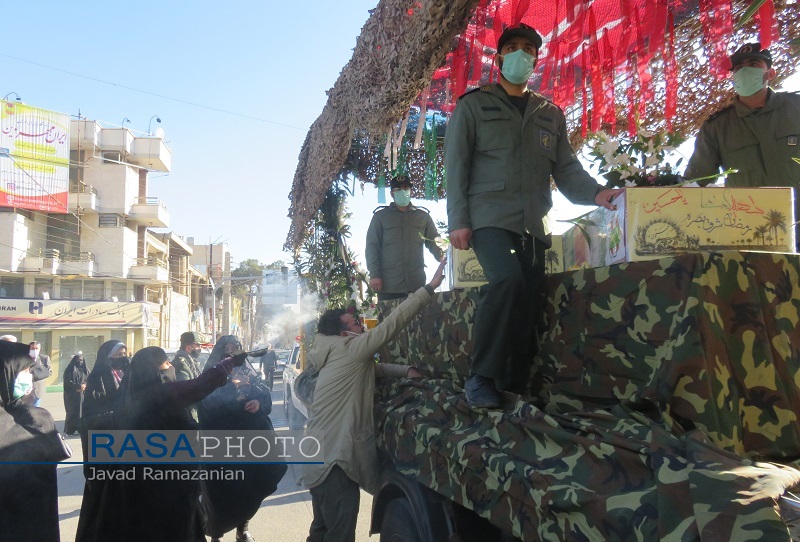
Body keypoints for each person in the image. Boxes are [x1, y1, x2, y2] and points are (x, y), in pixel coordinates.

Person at [445, 23, 622, 408]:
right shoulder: (474, 105)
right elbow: (455, 166)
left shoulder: (549, 113)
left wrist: (597, 193)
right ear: (500, 57)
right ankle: (481, 377)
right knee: (507, 281)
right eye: (513, 47)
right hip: (489, 217)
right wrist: (458, 220)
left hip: (535, 223)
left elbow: (567, 170)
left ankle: (514, 382)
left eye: (529, 48)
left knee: (528, 298)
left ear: (536, 59)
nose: (521, 54)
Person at [301, 258, 446, 542]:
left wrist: (405, 370)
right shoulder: (352, 348)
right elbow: (392, 324)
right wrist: (429, 288)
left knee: (320, 533)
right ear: (345, 334)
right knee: (339, 537)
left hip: (317, 460)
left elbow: (373, 369)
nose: (361, 325)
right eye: (355, 323)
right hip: (336, 464)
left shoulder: (334, 354)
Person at [75, 346, 245, 541]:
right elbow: (200, 385)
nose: (170, 366)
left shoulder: (128, 393)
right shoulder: (158, 394)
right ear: (154, 369)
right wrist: (229, 361)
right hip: (164, 484)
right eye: (166, 363)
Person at [684, 42, 800, 245]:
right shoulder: (716, 127)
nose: (745, 70)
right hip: (754, 234)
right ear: (733, 77)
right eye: (738, 67)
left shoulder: (795, 108)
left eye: (754, 63)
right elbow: (695, 183)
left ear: (770, 73)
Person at [198, 336, 286, 542]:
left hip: (250, 442)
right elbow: (206, 403)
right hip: (221, 442)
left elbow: (264, 393)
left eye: (234, 349)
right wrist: (233, 389)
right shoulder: (211, 373)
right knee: (220, 489)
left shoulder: (248, 369)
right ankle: (216, 533)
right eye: (226, 349)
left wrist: (257, 401)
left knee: (249, 487)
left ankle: (242, 528)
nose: (230, 353)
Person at [1, 340, 69, 542]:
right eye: (26, 370)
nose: (31, 377)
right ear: (7, 370)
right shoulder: (37, 419)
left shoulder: (37, 418)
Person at [366, 174, 444, 301]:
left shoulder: (423, 217)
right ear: (392, 193)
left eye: (406, 188)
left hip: (416, 284)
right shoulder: (380, 217)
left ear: (411, 191)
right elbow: (372, 247)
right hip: (389, 286)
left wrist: (443, 257)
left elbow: (434, 241)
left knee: (418, 320)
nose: (403, 191)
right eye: (398, 189)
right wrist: (374, 275)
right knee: (390, 320)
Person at [79, 340, 128, 478]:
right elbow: (94, 410)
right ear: (107, 357)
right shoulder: (97, 377)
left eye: (124, 354)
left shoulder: (126, 372)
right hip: (105, 434)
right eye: (118, 355)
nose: (122, 357)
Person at [62, 352, 89, 436]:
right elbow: (67, 382)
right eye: (78, 360)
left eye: (81, 360)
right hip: (72, 396)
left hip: (83, 395)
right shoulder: (69, 370)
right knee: (72, 412)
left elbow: (90, 379)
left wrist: (84, 386)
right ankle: (69, 431)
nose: (79, 362)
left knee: (82, 412)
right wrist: (77, 386)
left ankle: (80, 430)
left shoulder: (85, 370)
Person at [28, 341, 52, 407]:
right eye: (32, 348)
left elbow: (49, 372)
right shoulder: (24, 358)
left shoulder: (44, 358)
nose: (34, 350)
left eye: (36, 348)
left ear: (40, 349)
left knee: (35, 409)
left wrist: (37, 374)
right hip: (25, 389)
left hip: (38, 389)